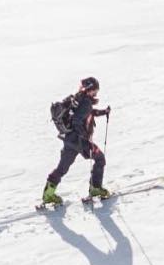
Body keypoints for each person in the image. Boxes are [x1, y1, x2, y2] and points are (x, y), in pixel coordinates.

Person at [43, 76, 112, 204]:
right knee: (100, 158)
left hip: (69, 140)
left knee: (62, 168)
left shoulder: (78, 98)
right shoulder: (86, 102)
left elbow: (87, 113)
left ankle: (48, 194)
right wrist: (85, 136)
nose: (96, 93)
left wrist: (103, 112)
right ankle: (95, 188)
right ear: (90, 89)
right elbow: (77, 120)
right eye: (95, 90)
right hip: (80, 141)